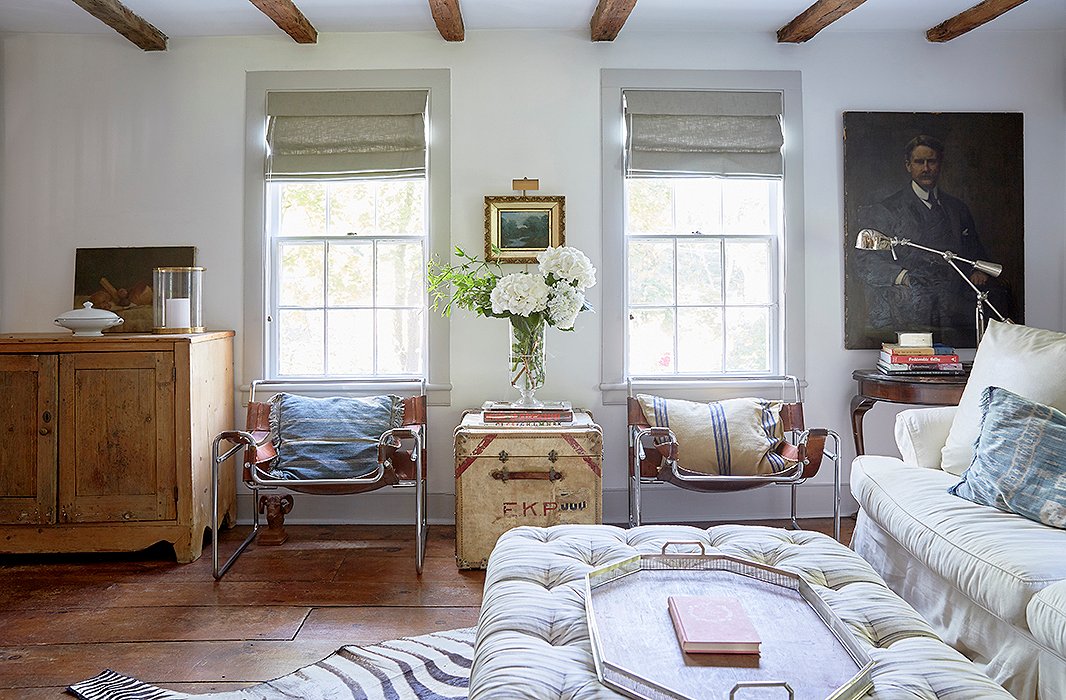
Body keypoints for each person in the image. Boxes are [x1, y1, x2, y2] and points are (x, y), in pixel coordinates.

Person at [852, 135, 1007, 344]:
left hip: (954, 305)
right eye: (919, 162)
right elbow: (866, 262)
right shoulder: (887, 209)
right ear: (908, 166)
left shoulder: (957, 209)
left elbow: (973, 248)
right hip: (908, 307)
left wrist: (976, 269)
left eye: (931, 161)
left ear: (940, 164)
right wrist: (904, 277)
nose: (926, 168)